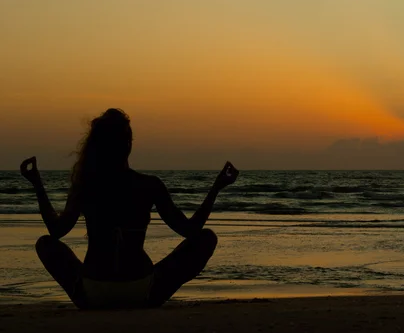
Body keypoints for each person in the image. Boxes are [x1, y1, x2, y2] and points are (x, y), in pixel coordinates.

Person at [19, 108, 239, 309]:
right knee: (206, 238)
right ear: (129, 144)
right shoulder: (149, 185)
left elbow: (57, 231)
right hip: (141, 291)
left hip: (94, 292)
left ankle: (84, 298)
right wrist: (216, 188)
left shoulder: (86, 185)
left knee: (45, 245)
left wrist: (37, 184)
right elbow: (190, 230)